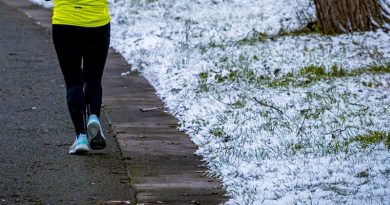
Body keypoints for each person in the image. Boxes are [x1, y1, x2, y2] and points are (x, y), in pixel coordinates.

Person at [51, 0, 111, 154]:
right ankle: (93, 116)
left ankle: (81, 137)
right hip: (97, 23)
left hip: (64, 23)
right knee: (94, 79)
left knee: (73, 82)